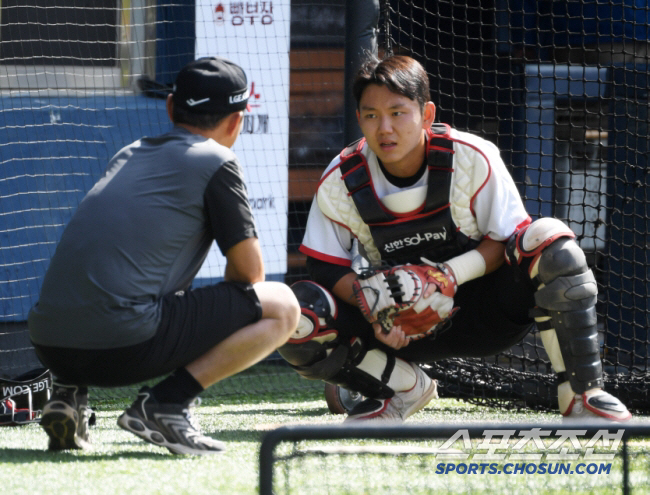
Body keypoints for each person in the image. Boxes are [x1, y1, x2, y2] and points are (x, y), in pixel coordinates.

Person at [277, 54, 631, 423]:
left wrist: (445, 276)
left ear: (427, 114)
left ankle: (582, 396)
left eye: (398, 112)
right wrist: (375, 303)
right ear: (359, 119)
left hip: (488, 315)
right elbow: (325, 267)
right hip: (400, 329)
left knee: (550, 241)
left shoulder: (472, 156)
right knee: (296, 315)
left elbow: (507, 240)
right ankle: (398, 389)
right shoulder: (341, 178)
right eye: (371, 115)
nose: (385, 128)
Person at [28, 57, 300, 454]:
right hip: (122, 347)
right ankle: (166, 403)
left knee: (120, 286)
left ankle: (68, 394)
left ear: (171, 108)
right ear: (236, 121)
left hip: (50, 345)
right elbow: (250, 275)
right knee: (282, 305)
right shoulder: (218, 160)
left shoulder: (129, 152)